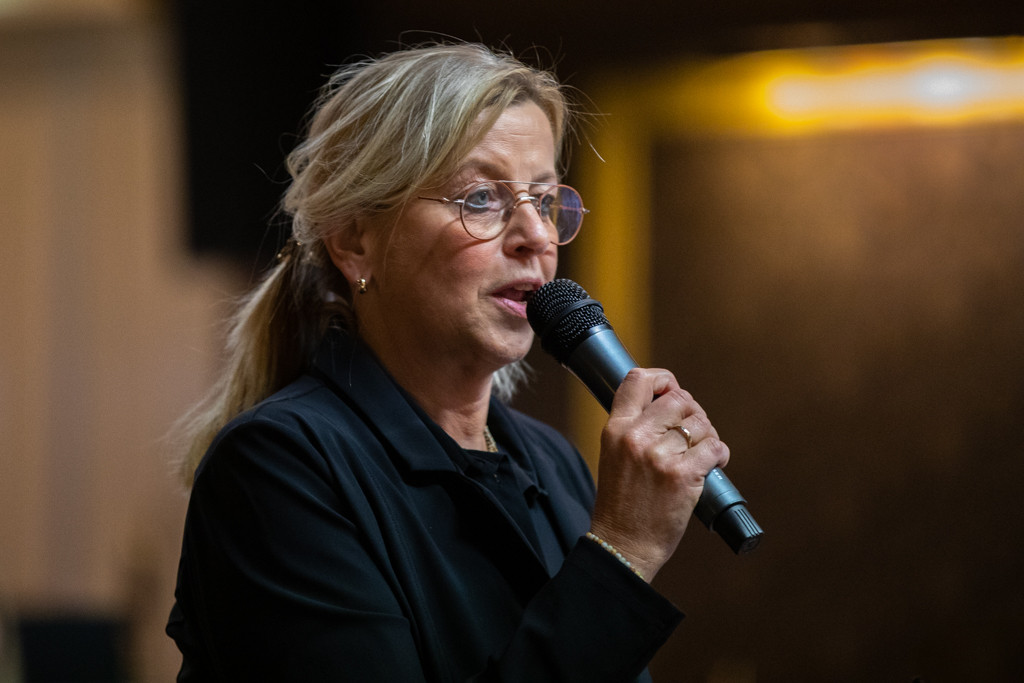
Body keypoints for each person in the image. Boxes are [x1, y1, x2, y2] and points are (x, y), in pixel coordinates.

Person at [166, 42, 731, 682]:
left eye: (544, 200)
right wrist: (623, 553)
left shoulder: (553, 464)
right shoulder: (278, 468)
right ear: (354, 240)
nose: (537, 237)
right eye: (481, 198)